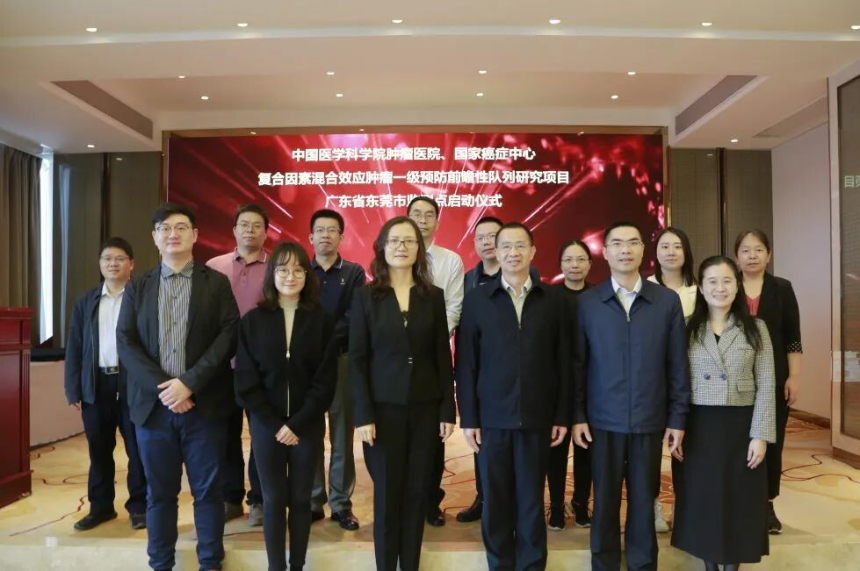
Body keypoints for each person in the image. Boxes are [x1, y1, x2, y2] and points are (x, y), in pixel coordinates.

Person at [117, 202, 239, 571]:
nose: (173, 234)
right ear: (155, 237)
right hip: (154, 412)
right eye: (165, 228)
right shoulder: (138, 286)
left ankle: (210, 562)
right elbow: (126, 341)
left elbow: (228, 335)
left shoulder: (215, 283)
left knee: (208, 492)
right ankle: (161, 563)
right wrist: (166, 389)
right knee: (159, 495)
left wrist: (188, 383)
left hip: (205, 408)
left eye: (181, 227)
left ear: (195, 235)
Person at [572, 221, 690, 571]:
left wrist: (678, 417)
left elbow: (677, 364)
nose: (625, 249)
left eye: (633, 242)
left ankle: (642, 564)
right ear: (605, 252)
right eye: (617, 243)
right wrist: (577, 414)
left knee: (643, 499)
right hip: (602, 420)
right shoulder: (588, 303)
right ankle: (604, 563)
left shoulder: (665, 301)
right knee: (605, 501)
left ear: (643, 251)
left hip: (649, 419)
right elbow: (577, 365)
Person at [457, 222, 571, 570]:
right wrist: (469, 418)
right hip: (492, 418)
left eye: (520, 245)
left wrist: (561, 414)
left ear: (533, 251)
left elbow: (564, 362)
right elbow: (466, 363)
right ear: (495, 251)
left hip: (537, 417)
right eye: (505, 246)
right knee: (496, 500)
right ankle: (500, 565)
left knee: (531, 500)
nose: (512, 253)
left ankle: (532, 565)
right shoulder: (478, 299)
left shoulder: (553, 299)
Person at [350, 216, 455, 571]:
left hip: (425, 408)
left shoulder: (432, 296)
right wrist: (363, 414)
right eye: (394, 240)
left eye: (409, 241)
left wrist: (446, 410)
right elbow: (358, 360)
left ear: (419, 249)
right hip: (382, 412)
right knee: (387, 494)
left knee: (416, 492)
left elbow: (442, 356)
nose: (401, 247)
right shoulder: (366, 297)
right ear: (382, 247)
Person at [235, 242, 338, 571]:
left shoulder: (322, 321)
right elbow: (246, 382)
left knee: (301, 499)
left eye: (297, 270)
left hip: (307, 425)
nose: (290, 276)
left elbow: (325, 381)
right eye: (282, 270)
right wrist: (276, 424)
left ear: (307, 276)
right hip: (267, 426)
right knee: (274, 499)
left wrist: (297, 423)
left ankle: (297, 565)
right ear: (272, 275)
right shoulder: (253, 321)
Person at [672, 256, 776, 571]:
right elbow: (675, 381)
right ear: (701, 288)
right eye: (712, 281)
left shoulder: (756, 328)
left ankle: (732, 565)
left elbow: (767, 384)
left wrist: (760, 435)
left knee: (739, 498)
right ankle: (709, 564)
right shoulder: (686, 327)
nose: (720, 288)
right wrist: (675, 426)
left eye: (727, 281)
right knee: (703, 497)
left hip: (741, 426)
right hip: (698, 426)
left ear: (737, 285)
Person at [65, 237, 147, 531]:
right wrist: (73, 388)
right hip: (97, 384)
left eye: (120, 258)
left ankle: (139, 507)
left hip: (133, 385)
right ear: (100, 264)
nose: (113, 263)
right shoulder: (86, 301)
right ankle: (101, 508)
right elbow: (75, 346)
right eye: (107, 259)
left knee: (137, 450)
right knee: (99, 451)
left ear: (131, 264)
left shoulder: (142, 297)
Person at [735, 229, 802, 535]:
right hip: (735, 380)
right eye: (746, 250)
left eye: (759, 249)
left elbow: (792, 338)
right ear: (736, 256)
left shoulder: (782, 288)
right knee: (738, 441)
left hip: (774, 378)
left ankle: (767, 504)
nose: (752, 256)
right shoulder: (727, 285)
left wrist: (794, 377)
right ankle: (740, 502)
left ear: (769, 255)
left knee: (771, 442)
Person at [206, 203, 269, 526]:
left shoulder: (276, 267)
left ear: (266, 232)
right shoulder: (213, 267)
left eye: (257, 225)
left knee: (261, 435)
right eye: (244, 224)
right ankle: (230, 498)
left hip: (262, 367)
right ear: (234, 230)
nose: (250, 230)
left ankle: (259, 499)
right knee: (225, 434)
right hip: (221, 367)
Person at [407, 196, 464, 527]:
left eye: (429, 215)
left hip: (432, 355)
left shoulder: (450, 260)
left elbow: (454, 305)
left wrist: (431, 337)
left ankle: (431, 501)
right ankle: (405, 502)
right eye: (416, 214)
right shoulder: (394, 255)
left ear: (437, 222)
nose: (423, 219)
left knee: (432, 434)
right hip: (397, 358)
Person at [308, 208, 366, 530]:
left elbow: (354, 316)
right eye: (320, 230)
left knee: (342, 434)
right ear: (311, 237)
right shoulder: (301, 270)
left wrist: (323, 342)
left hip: (341, 361)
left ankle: (341, 504)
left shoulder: (354, 272)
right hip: (307, 365)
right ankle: (313, 500)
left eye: (332, 230)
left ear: (341, 237)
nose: (326, 235)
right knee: (311, 432)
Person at [646, 226, 697, 533]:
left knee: (685, 448)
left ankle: (684, 506)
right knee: (650, 450)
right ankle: (653, 504)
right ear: (655, 253)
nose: (671, 252)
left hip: (693, 381)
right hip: (653, 382)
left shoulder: (700, 290)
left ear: (686, 252)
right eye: (664, 246)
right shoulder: (645, 288)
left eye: (677, 246)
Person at [546, 240, 594, 531]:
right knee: (556, 449)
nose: (574, 265)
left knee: (586, 449)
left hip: (591, 382)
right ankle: (555, 505)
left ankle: (580, 503)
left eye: (580, 259)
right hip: (557, 381)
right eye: (568, 259)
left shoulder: (599, 296)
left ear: (590, 263)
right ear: (560, 264)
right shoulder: (549, 297)